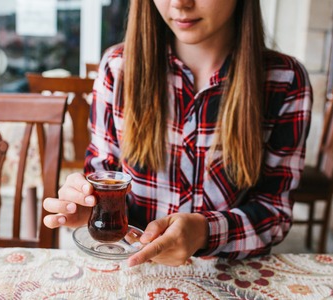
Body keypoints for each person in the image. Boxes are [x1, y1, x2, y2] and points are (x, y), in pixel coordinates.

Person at [43, 0, 312, 267]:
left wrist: (206, 231)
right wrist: (88, 203)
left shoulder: (285, 80)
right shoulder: (117, 69)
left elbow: (274, 212)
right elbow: (103, 173)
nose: (180, 4)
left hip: (226, 272)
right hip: (133, 266)